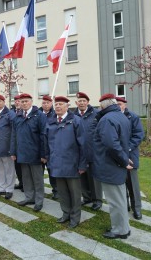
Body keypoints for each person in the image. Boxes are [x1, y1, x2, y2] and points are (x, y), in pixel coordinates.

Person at [93, 93, 132, 239]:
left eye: (100, 104)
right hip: (116, 164)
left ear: (104, 104)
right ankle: (123, 227)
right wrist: (125, 159)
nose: (98, 107)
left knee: (115, 201)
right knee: (120, 199)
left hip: (110, 165)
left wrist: (124, 160)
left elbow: (112, 145)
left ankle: (120, 230)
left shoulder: (107, 119)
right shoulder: (120, 116)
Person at [45, 96, 86, 228]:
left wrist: (82, 164)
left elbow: (83, 144)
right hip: (57, 163)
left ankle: (75, 217)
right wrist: (49, 160)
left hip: (72, 164)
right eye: (56, 104)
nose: (57, 106)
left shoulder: (75, 121)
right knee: (62, 192)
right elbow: (47, 143)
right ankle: (66, 213)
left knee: (74, 193)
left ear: (67, 106)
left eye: (61, 104)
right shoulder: (51, 122)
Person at [11, 93, 46, 212]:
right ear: (19, 103)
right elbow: (14, 136)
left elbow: (43, 135)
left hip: (35, 153)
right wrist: (13, 151)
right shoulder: (17, 117)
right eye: (22, 101)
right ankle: (29, 197)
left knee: (37, 179)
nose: (24, 103)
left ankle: (39, 200)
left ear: (31, 102)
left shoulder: (39, 115)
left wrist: (43, 154)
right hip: (22, 153)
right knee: (26, 178)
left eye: (26, 101)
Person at [73, 92, 103, 211]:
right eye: (79, 101)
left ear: (88, 102)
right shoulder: (73, 115)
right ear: (76, 103)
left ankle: (97, 200)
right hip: (79, 152)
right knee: (82, 177)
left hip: (92, 151)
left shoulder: (96, 114)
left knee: (94, 178)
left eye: (84, 101)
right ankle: (87, 197)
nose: (82, 103)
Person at [116, 96, 144, 220]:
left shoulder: (133, 117)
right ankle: (125, 205)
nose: (118, 106)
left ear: (125, 105)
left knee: (132, 184)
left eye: (120, 104)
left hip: (130, 155)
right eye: (116, 104)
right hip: (116, 156)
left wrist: (127, 148)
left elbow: (138, 135)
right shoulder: (113, 117)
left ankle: (136, 209)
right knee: (120, 183)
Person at [38, 94, 58, 200]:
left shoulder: (55, 115)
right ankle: (39, 191)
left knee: (52, 172)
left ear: (51, 104)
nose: (45, 105)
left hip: (51, 148)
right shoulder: (37, 114)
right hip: (39, 147)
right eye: (44, 103)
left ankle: (56, 190)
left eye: (47, 103)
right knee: (39, 172)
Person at [11, 94, 23, 192]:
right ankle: (20, 182)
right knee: (17, 166)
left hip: (23, 143)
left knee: (24, 167)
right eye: (16, 101)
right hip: (15, 142)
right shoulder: (12, 112)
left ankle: (25, 184)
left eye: (19, 101)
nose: (17, 102)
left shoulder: (24, 113)